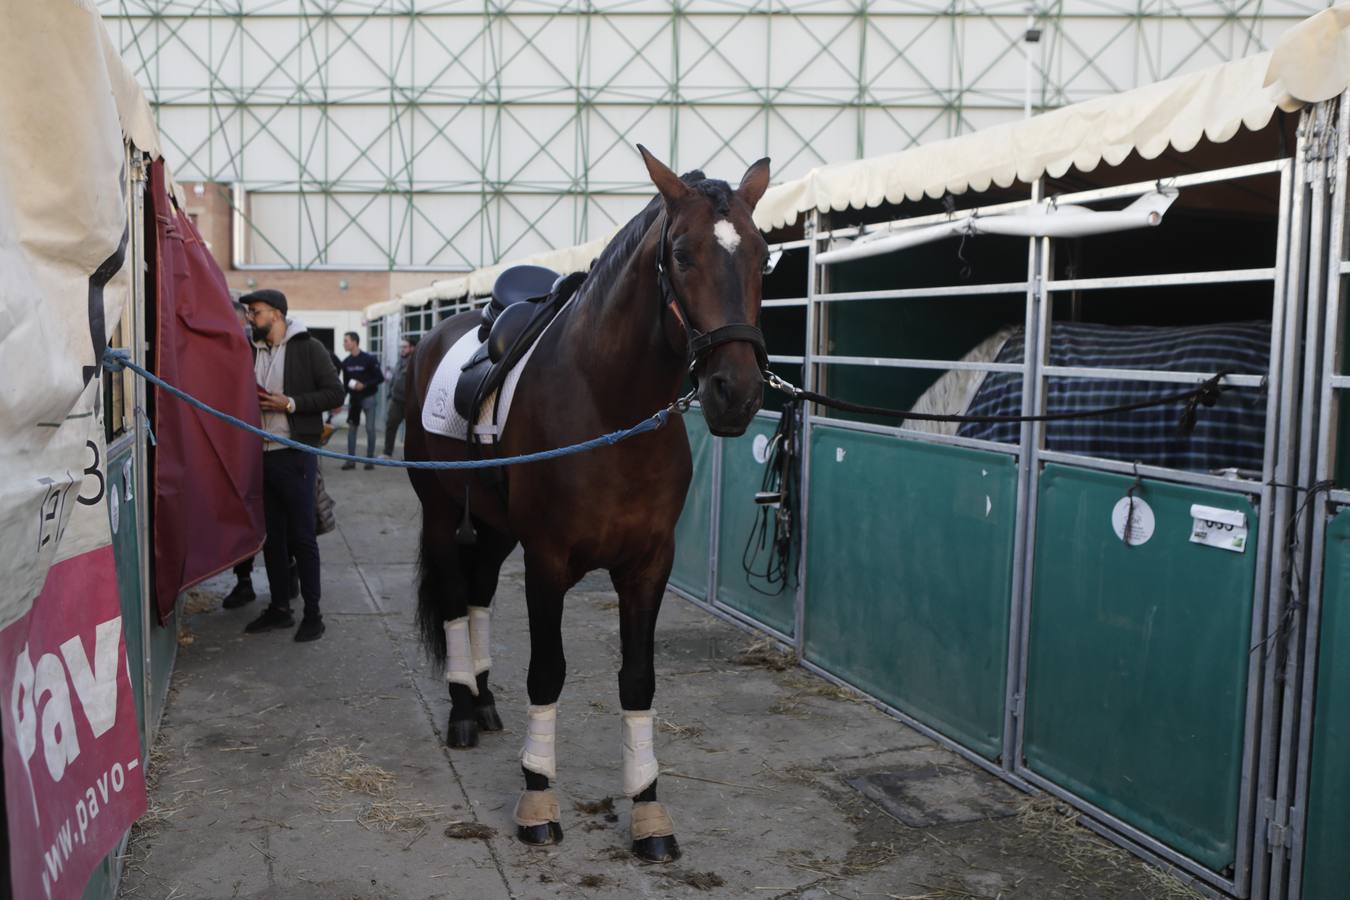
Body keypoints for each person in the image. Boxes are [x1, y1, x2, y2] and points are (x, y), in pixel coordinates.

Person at [241, 289, 345, 642]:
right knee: (272, 538)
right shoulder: (248, 351)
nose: (249, 318)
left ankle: (313, 614)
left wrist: (291, 404)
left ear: (276, 314)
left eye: (255, 312)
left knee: (302, 537)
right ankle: (280, 609)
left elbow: (335, 393)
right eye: (249, 313)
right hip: (260, 456)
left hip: (296, 453)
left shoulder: (308, 348)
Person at [339, 331, 384, 470]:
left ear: (354, 342)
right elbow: (346, 385)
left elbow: (380, 378)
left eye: (346, 341)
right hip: (354, 401)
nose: (344, 344)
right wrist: (340, 402)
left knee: (370, 429)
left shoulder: (369, 359)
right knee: (352, 429)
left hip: (369, 398)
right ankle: (351, 461)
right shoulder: (346, 363)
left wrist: (364, 385)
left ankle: (369, 460)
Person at [382, 334, 418, 458]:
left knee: (412, 430)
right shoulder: (400, 360)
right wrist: (390, 394)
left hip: (410, 402)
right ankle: (387, 452)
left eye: (405, 347)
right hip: (396, 400)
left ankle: (410, 455)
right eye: (401, 347)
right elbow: (394, 378)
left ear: (412, 348)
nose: (402, 349)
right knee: (390, 425)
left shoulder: (416, 362)